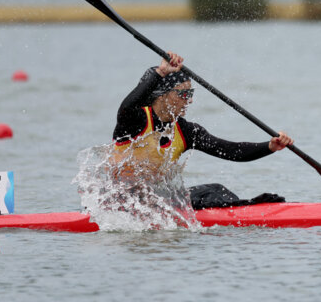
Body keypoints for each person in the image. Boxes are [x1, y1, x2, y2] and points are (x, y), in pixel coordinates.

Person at [110, 51, 293, 208]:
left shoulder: (186, 131)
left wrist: (270, 146)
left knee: (217, 190)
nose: (189, 100)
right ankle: (249, 206)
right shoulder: (134, 120)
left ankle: (246, 207)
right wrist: (160, 72)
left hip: (157, 200)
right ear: (162, 95)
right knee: (209, 195)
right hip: (120, 201)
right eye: (183, 94)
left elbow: (231, 151)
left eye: (190, 94)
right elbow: (127, 106)